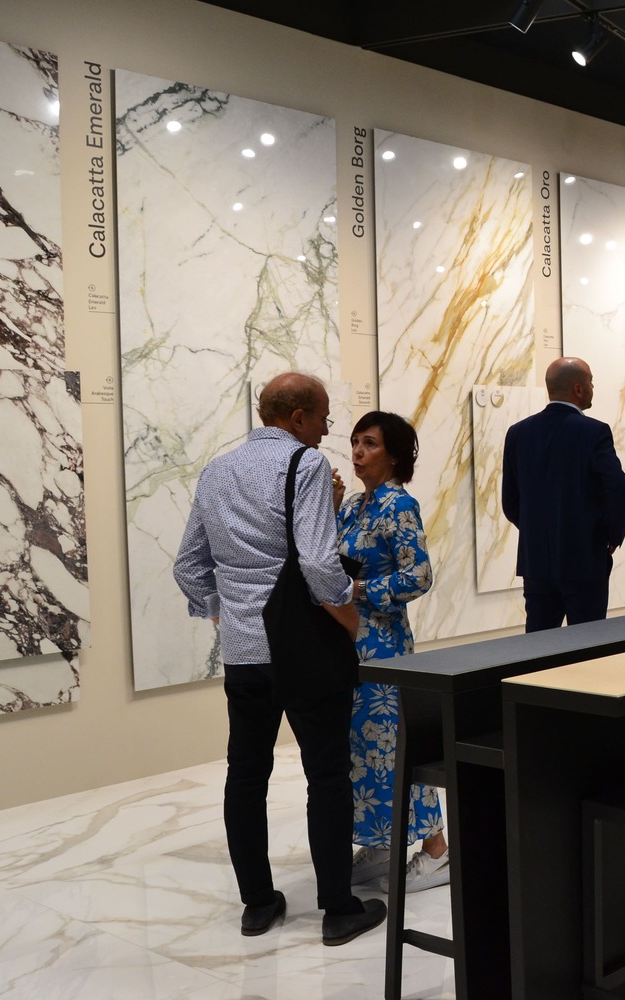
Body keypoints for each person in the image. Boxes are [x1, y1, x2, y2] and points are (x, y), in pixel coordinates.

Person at [173, 372, 385, 945]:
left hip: (244, 653)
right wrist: (347, 613)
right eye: (323, 419)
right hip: (304, 647)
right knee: (327, 773)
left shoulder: (216, 470)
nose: (325, 431)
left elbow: (188, 565)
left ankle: (258, 904)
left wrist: (223, 611)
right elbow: (316, 561)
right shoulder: (305, 463)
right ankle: (338, 909)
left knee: (245, 774)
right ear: (297, 418)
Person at [333, 412, 444, 893]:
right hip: (348, 644)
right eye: (355, 442)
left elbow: (418, 575)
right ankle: (382, 842)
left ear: (394, 455)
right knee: (361, 748)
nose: (358, 452)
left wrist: (361, 590)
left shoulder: (400, 505)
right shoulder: (352, 505)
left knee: (395, 744)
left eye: (370, 444)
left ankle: (437, 848)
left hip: (385, 646)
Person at [503, 357, 625, 631]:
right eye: (591, 382)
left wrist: (537, 531)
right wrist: (611, 535)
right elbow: (618, 488)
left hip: (536, 561)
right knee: (587, 644)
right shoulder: (594, 431)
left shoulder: (518, 433)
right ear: (578, 389)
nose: (593, 387)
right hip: (584, 557)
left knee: (539, 644)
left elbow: (510, 502)